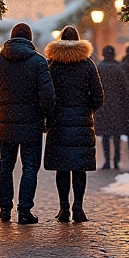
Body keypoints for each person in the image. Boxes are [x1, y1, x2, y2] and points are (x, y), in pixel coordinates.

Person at [0, 22, 54, 223]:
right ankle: (24, 211)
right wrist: (43, 116)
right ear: (29, 39)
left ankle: (5, 209)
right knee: (30, 167)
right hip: (32, 124)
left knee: (6, 165)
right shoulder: (39, 62)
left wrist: (2, 111)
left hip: (7, 124)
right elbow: (48, 96)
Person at [44, 25, 105, 221]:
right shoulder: (87, 64)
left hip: (58, 122)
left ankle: (64, 209)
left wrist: (50, 113)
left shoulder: (52, 65)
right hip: (81, 122)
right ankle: (78, 208)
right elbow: (98, 96)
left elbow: (45, 94)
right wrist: (86, 110)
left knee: (62, 168)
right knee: (79, 167)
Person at [95, 44, 128, 170]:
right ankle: (116, 160)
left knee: (105, 135)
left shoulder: (99, 68)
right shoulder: (118, 69)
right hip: (116, 107)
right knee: (116, 135)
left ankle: (107, 160)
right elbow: (124, 90)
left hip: (102, 107)